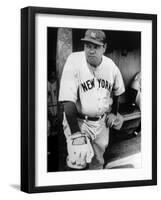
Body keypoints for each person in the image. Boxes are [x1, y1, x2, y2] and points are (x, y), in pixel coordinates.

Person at [58, 29, 125, 170]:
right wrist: (76, 134)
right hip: (78, 121)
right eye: (88, 45)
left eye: (96, 46)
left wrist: (114, 112)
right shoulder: (74, 60)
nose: (91, 50)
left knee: (98, 161)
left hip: (101, 123)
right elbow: (68, 100)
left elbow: (118, 90)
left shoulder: (111, 65)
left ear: (104, 48)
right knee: (78, 162)